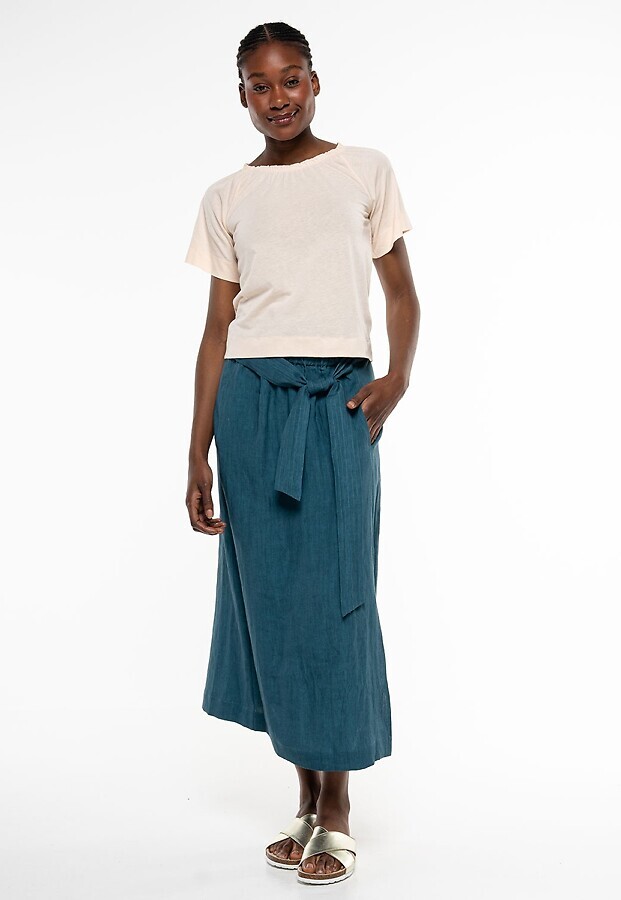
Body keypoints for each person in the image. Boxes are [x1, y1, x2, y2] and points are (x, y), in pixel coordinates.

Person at [184, 21, 420, 886]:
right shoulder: (227, 195)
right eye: (259, 84)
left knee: (337, 598)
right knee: (273, 606)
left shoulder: (364, 170)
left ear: (315, 83)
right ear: (241, 96)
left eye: (290, 80)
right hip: (250, 407)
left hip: (336, 404)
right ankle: (305, 799)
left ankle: (340, 806)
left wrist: (396, 380)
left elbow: (402, 294)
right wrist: (197, 451)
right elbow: (217, 330)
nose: (276, 97)